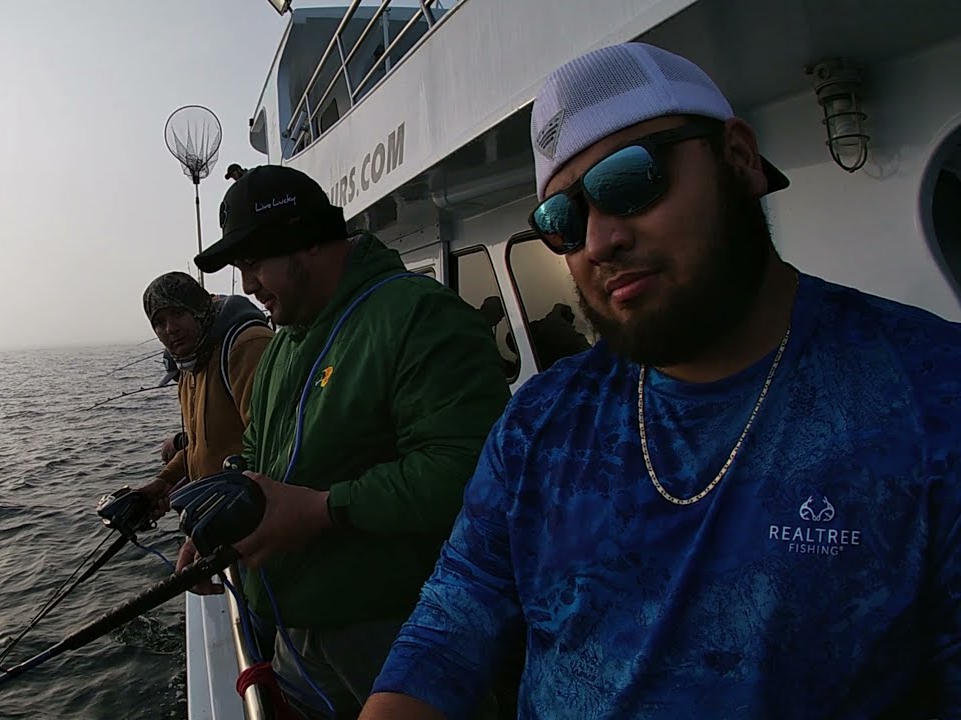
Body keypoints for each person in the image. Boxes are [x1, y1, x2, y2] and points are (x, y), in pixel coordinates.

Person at [363, 42, 961, 720]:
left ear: (737, 158)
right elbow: (450, 626)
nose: (598, 240)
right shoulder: (540, 424)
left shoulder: (930, 397)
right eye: (564, 220)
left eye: (630, 182)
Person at [181, 164, 511, 719]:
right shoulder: (285, 344)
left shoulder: (418, 315)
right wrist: (226, 523)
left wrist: (322, 510)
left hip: (393, 641)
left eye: (254, 264)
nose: (248, 287)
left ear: (302, 240)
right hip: (297, 639)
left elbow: (471, 472)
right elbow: (259, 448)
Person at [135, 272, 273, 508]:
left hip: (254, 513)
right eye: (159, 322)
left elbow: (272, 446)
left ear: (199, 309)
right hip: (216, 514)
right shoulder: (190, 364)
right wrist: (165, 481)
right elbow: (202, 445)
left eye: (178, 313)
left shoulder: (246, 347)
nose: (170, 329)